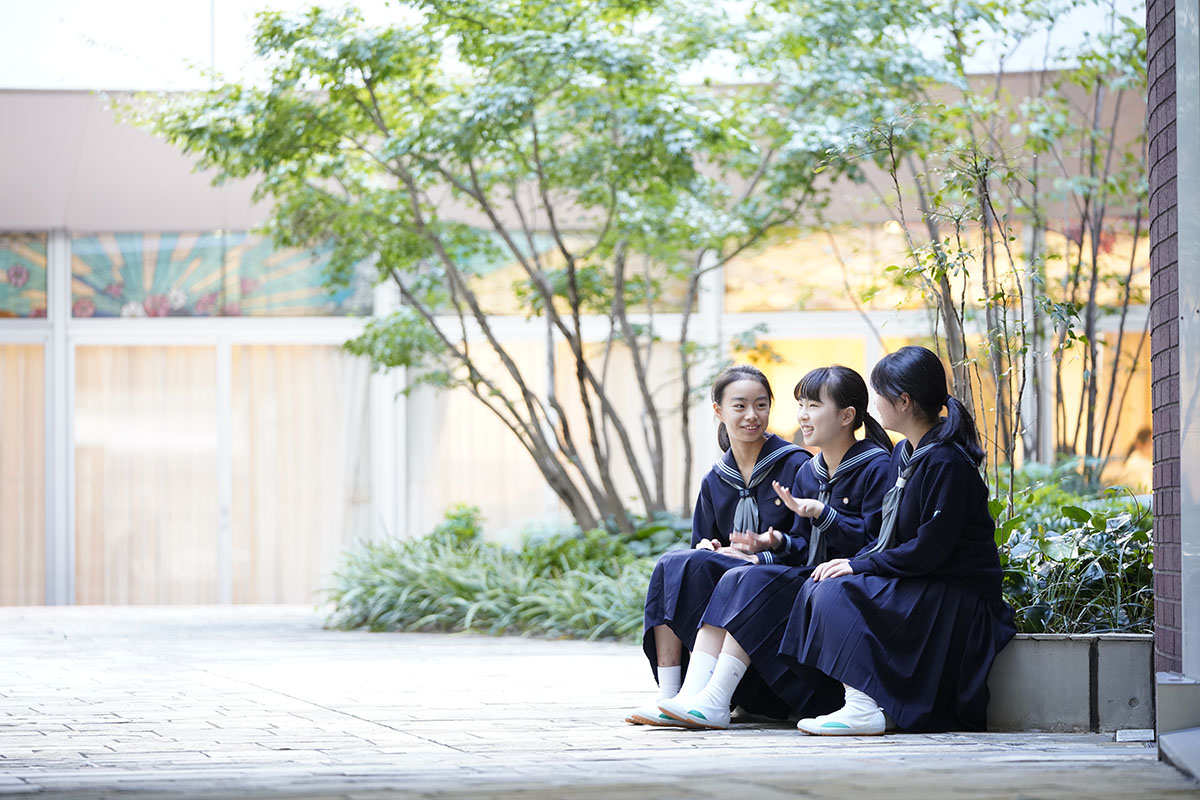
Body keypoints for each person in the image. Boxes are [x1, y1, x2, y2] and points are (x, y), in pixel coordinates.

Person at [776, 345, 1016, 735]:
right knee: (822, 584)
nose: (873, 406)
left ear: (903, 401)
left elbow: (930, 549)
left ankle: (863, 708)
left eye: (879, 396)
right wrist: (856, 563)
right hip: (924, 577)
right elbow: (893, 538)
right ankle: (856, 702)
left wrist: (860, 564)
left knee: (839, 591)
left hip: (955, 590)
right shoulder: (905, 452)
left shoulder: (946, 461)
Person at [654, 366, 892, 728]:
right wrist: (774, 541)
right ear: (718, 411)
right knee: (695, 568)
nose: (802, 416)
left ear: (847, 416)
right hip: (805, 572)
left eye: (813, 406)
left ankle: (716, 699)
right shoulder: (810, 471)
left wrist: (820, 517)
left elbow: (876, 541)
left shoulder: (872, 466)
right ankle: (685, 696)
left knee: (749, 578)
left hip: (840, 578)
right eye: (801, 405)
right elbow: (798, 542)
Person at [626, 364, 811, 726]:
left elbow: (809, 543)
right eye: (739, 406)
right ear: (719, 411)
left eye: (761, 405)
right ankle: (671, 696)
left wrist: (760, 554)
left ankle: (706, 695)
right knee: (673, 563)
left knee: (732, 575)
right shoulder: (716, 478)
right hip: (732, 575)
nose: (752, 416)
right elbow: (702, 541)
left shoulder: (794, 464)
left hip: (777, 577)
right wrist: (710, 547)